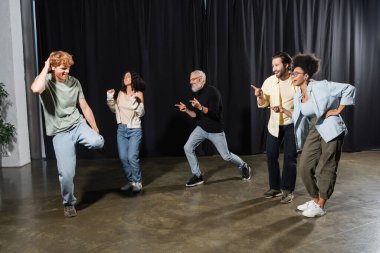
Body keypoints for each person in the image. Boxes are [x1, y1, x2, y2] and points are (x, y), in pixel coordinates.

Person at [274, 53, 355, 217]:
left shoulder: (321, 86)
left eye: (296, 73)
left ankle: (321, 204)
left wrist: (338, 110)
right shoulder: (298, 95)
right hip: (314, 129)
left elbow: (349, 88)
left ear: (306, 75)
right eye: (292, 73)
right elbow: (298, 116)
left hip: (330, 129)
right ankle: (315, 199)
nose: (293, 76)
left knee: (327, 167)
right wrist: (283, 110)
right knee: (304, 166)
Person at [31, 51, 104, 217]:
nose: (67, 72)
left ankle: (95, 140)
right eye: (63, 68)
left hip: (77, 124)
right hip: (60, 132)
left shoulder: (74, 82)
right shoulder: (46, 81)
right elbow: (35, 88)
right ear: (53, 67)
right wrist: (45, 67)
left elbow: (84, 107)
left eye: (68, 68)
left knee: (98, 141)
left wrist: (95, 128)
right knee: (66, 173)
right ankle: (69, 203)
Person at [175, 70, 251, 187]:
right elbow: (197, 116)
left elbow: (215, 114)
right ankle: (197, 176)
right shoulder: (196, 93)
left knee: (226, 156)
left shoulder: (213, 92)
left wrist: (200, 107)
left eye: (193, 79)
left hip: (215, 130)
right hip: (201, 128)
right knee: (188, 148)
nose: (190, 82)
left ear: (201, 79)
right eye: (190, 79)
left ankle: (244, 166)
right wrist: (187, 110)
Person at [251, 52, 298, 203]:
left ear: (286, 65)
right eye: (273, 65)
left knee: (290, 158)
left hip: (291, 124)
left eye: (277, 65)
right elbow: (264, 103)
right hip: (274, 125)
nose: (274, 69)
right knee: (271, 156)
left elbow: (302, 107)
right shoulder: (270, 81)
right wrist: (259, 95)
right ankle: (275, 187)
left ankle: (288, 190)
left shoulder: (295, 81)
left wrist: (284, 111)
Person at [107, 71, 145, 192]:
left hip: (134, 130)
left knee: (132, 157)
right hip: (121, 130)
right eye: (124, 76)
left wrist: (134, 101)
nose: (125, 78)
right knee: (123, 158)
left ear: (133, 79)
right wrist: (110, 98)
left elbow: (141, 113)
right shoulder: (121, 93)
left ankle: (138, 182)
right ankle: (131, 181)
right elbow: (114, 110)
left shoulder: (139, 93)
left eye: (128, 76)